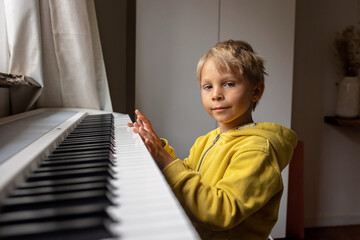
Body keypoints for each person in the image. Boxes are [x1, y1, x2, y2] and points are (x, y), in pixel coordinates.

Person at [127, 40, 298, 240]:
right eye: (207, 86)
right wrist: (159, 148)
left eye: (229, 84)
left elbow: (220, 212)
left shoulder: (257, 150)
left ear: (256, 91)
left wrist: (165, 160)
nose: (216, 94)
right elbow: (186, 175)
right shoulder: (206, 140)